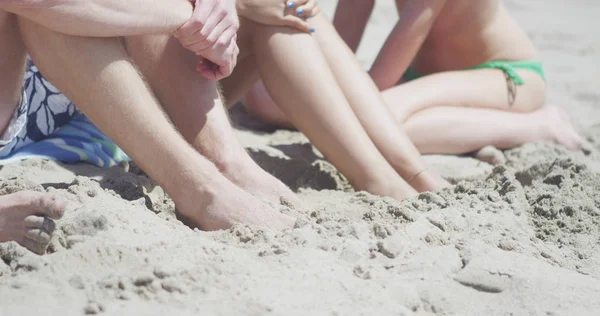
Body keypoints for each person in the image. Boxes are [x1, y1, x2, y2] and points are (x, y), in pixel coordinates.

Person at [0, 0, 299, 254]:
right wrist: (187, 16)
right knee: (54, 13)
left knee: (295, 18)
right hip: (23, 80)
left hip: (56, 96)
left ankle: (230, 165)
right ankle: (199, 187)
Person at [243, 0, 584, 165]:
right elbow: (338, 47)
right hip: (422, 78)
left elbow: (376, 89)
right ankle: (471, 133)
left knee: (373, 125)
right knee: (267, 100)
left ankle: (542, 126)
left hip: (503, 75)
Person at [221, 0, 450, 202]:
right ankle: (379, 178)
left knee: (293, 10)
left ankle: (414, 172)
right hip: (187, 95)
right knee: (282, 14)